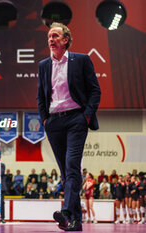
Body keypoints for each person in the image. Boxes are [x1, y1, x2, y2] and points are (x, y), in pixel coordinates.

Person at [37, 22, 101, 231]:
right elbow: (41, 96)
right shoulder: (44, 65)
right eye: (49, 36)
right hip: (54, 122)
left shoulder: (81, 60)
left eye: (55, 36)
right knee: (66, 173)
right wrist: (45, 119)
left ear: (65, 40)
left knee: (72, 165)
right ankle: (75, 223)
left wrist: (86, 117)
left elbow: (94, 91)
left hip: (76, 119)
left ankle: (66, 212)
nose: (51, 40)